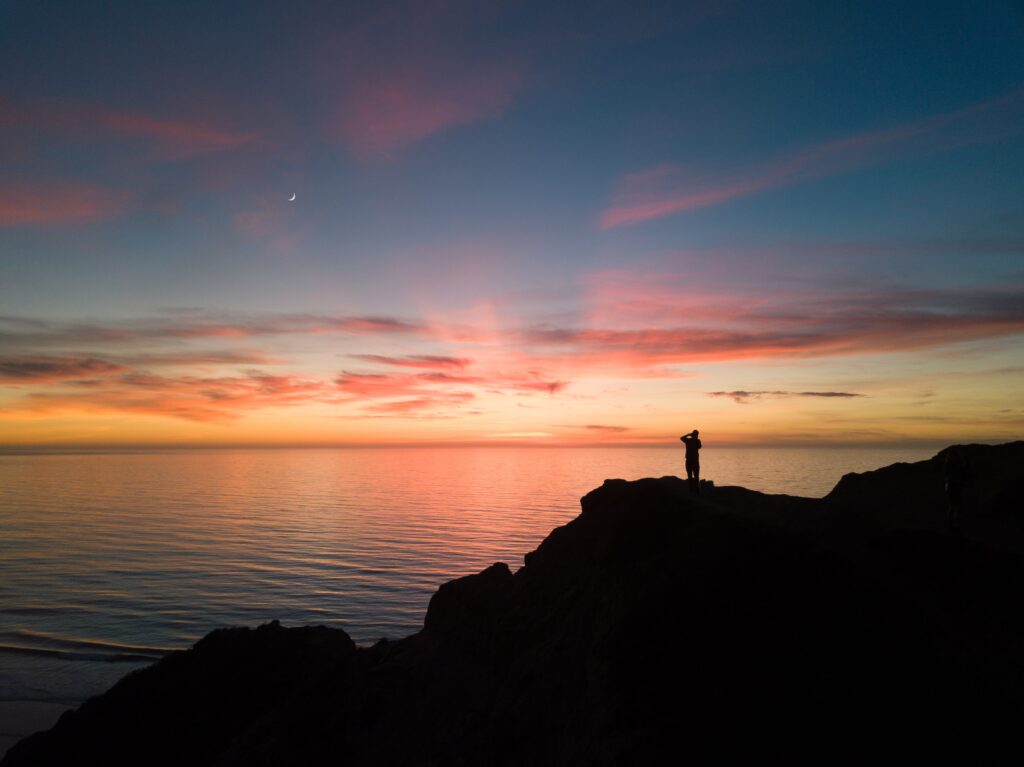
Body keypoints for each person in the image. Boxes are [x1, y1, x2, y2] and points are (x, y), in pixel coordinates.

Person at [943, 447, 971, 532]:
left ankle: (953, 524)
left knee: (955, 506)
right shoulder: (952, 465)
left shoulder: (954, 465)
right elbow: (951, 476)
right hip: (953, 486)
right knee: (954, 506)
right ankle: (953, 525)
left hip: (954, 486)